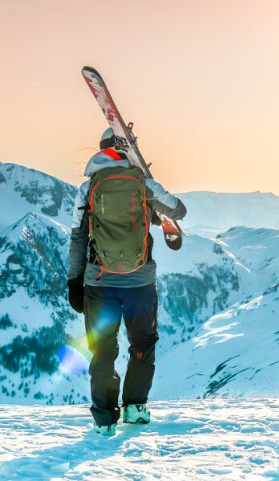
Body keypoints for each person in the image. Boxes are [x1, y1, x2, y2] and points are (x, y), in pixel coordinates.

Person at [67, 127, 186, 436]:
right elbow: (179, 210)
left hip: (99, 282)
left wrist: (74, 281)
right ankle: (135, 408)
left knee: (103, 350)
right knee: (143, 344)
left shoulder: (88, 188)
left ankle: (105, 419)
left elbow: (79, 237)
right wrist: (150, 189)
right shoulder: (143, 184)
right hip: (140, 283)